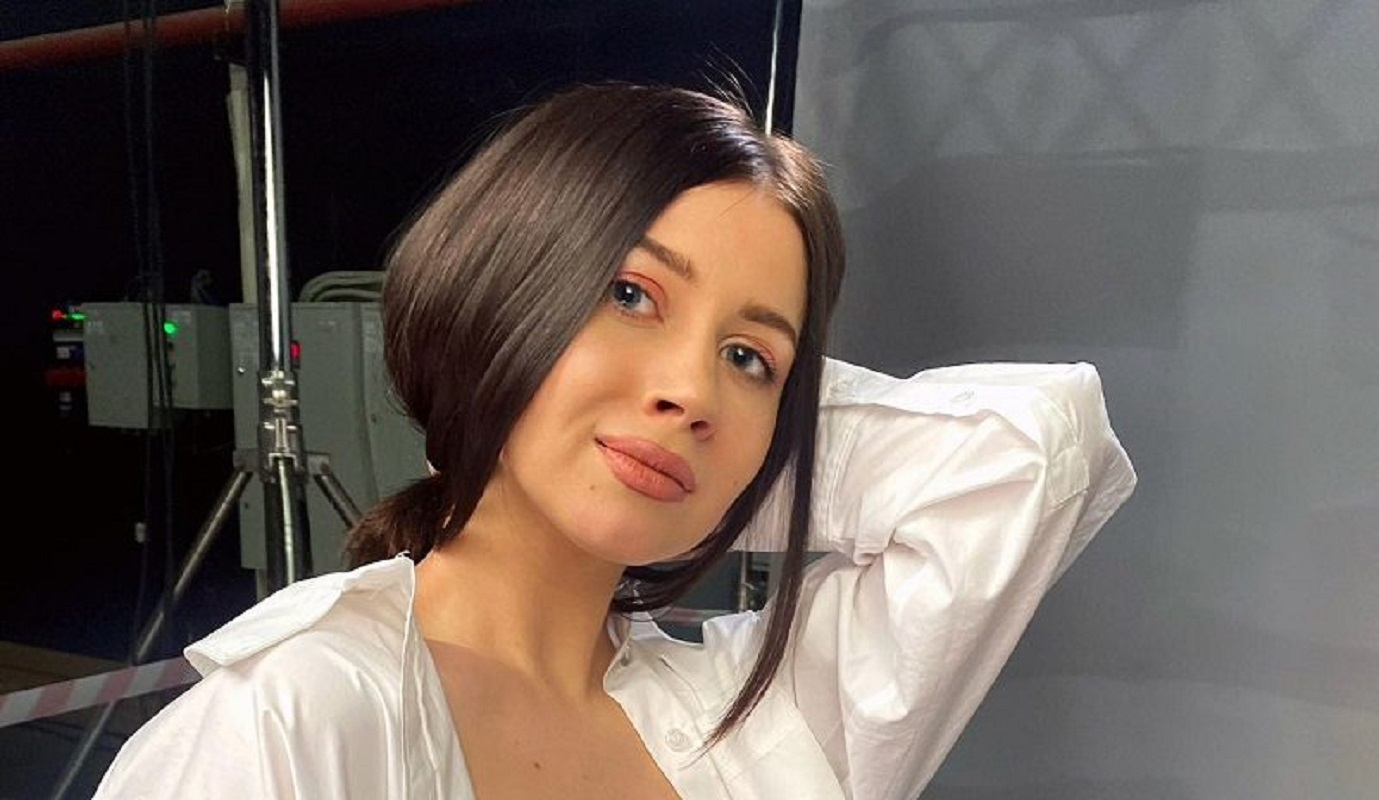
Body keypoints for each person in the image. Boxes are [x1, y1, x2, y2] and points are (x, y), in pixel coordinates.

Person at [93, 83, 1136, 799]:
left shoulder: (761, 724)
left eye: (748, 357)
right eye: (631, 294)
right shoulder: (289, 723)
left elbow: (1027, 452)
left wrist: (741, 466)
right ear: (495, 294)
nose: (689, 391)